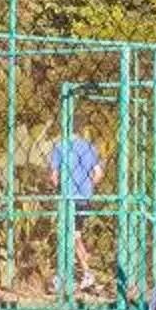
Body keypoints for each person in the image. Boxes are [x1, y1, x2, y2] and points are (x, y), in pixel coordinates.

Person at [50, 126, 105, 301]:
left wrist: (58, 187)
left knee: (69, 235)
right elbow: (98, 174)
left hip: (68, 198)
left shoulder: (59, 146)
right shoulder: (89, 147)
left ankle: (65, 276)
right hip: (84, 198)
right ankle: (84, 273)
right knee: (75, 235)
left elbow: (54, 176)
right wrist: (87, 187)